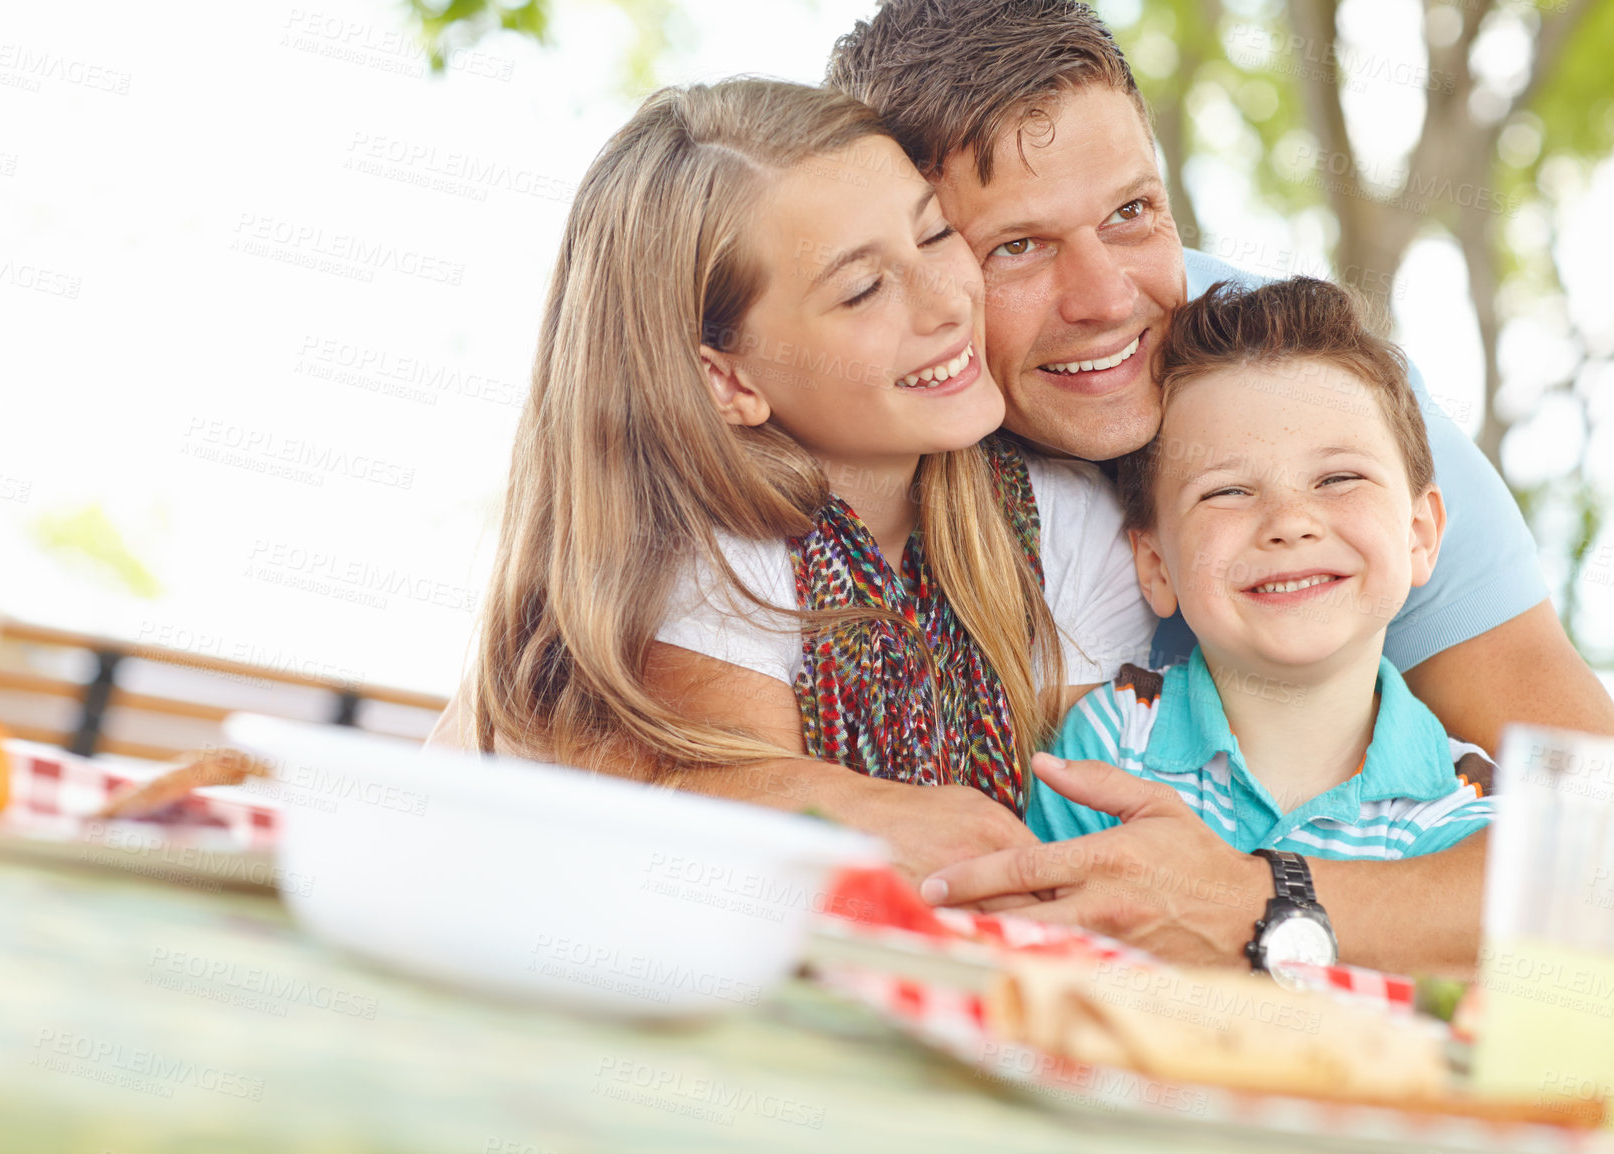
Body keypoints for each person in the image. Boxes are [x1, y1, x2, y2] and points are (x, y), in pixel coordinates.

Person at [647, 0, 1614, 974]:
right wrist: (836, 802)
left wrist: (1263, 899)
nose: (1106, 298)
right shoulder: (835, 415)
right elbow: (613, 735)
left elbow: (1597, 846)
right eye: (1014, 247)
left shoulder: (1325, 420)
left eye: (1132, 211)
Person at [464, 79, 1156, 828]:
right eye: (862, 289)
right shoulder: (713, 563)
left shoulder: (1070, 524)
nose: (948, 301)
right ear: (727, 379)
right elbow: (751, 863)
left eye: (932, 235)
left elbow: (1080, 826)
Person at [1029, 276, 1495, 879]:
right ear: (1156, 567)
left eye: (1338, 479)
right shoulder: (1106, 749)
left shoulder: (1471, 815)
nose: (1290, 522)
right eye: (1227, 491)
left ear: (1420, 534)